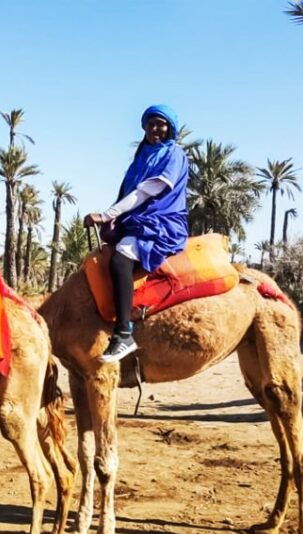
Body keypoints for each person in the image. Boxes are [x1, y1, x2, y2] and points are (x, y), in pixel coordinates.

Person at [84, 104, 189, 364]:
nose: (155, 129)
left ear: (170, 128)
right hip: (138, 220)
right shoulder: (143, 156)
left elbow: (148, 190)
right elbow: (129, 192)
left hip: (160, 221)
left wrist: (106, 215)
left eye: (161, 124)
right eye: (151, 124)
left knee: (120, 260)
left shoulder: (173, 154)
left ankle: (124, 334)